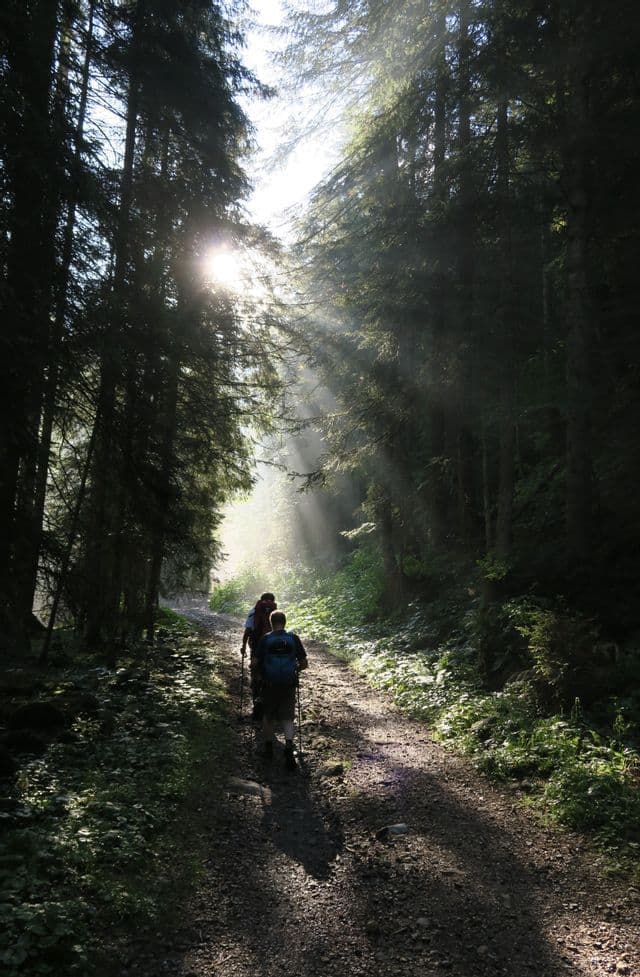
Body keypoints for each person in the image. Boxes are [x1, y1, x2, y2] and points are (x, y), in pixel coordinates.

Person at [252, 610, 307, 770]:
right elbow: (304, 663)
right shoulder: (293, 638)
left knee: (268, 715)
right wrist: (295, 669)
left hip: (269, 684)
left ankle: (268, 749)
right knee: (287, 717)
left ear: (271, 622)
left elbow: (255, 661)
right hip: (288, 684)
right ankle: (289, 747)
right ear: (285, 622)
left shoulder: (266, 639)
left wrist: (257, 675)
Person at [240, 593, 277, 719]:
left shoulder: (254, 611)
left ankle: (257, 709)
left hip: (256, 646)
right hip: (272, 647)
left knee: (256, 674)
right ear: (273, 601)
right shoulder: (275, 611)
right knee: (270, 673)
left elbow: (248, 630)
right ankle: (271, 708)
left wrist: (244, 645)